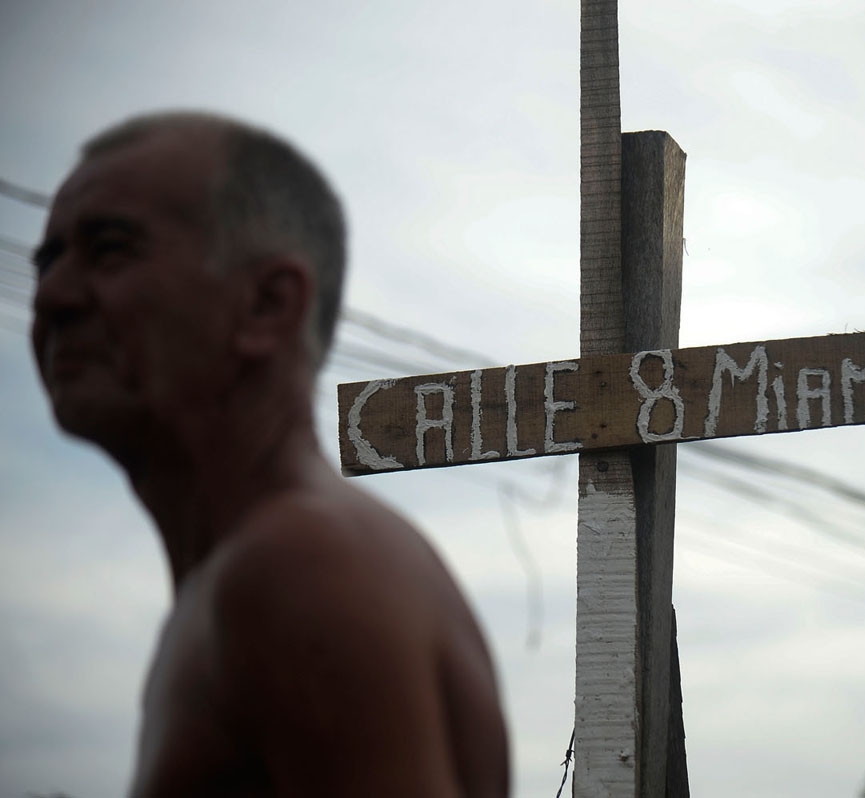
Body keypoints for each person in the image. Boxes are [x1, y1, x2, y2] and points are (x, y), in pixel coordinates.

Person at [31, 112, 510, 796]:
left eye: (109, 248)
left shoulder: (301, 565)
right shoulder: (261, 570)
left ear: (267, 305)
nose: (52, 297)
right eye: (47, 260)